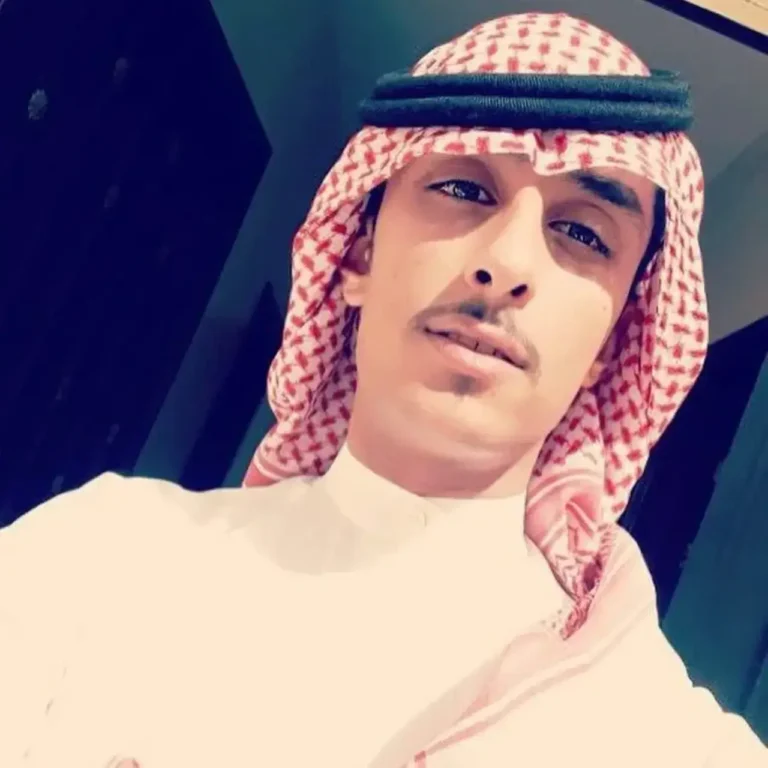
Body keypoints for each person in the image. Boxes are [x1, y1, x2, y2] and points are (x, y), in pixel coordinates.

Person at [0, 11, 765, 768]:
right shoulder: (101, 559)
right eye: (464, 187)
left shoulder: (656, 732)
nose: (506, 262)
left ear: (614, 342)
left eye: (584, 233)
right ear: (358, 256)